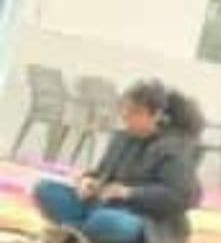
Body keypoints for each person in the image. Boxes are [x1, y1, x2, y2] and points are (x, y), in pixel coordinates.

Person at [33, 80, 203, 243]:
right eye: (125, 110)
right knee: (46, 190)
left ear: (156, 116)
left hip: (144, 221)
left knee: (107, 222)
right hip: (100, 205)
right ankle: (82, 231)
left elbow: (180, 196)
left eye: (135, 112)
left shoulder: (174, 148)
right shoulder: (122, 138)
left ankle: (76, 231)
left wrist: (129, 193)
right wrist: (88, 181)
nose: (125, 116)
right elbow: (101, 173)